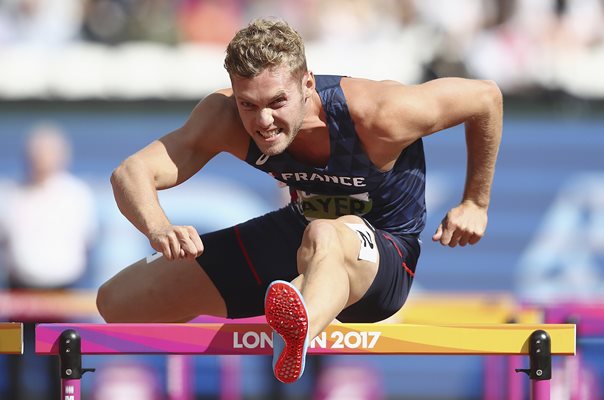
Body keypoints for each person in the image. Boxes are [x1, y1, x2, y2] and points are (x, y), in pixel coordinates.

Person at [96, 18, 502, 384]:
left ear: (307, 84)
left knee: (327, 234)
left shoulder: (381, 114)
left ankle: (295, 332)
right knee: (120, 300)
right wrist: (158, 227)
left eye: (277, 103)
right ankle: (296, 301)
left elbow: (485, 98)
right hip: (299, 232)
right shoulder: (224, 118)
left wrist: (475, 203)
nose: (263, 122)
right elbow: (131, 173)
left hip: (384, 256)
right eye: (248, 105)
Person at [0, 122, 98, 399]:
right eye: (35, 153)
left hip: (62, 292)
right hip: (18, 292)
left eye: (46, 153)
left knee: (63, 361)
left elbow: (86, 240)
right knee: (15, 360)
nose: (40, 160)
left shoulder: (76, 195)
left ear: (60, 156)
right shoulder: (9, 194)